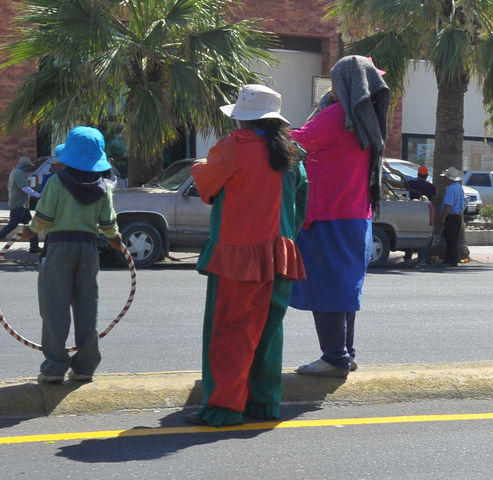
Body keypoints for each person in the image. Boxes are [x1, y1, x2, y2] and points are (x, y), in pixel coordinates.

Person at [186, 84, 308, 427]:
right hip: (280, 254)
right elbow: (300, 205)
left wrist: (199, 167)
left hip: (237, 257)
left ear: (241, 120)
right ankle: (264, 403)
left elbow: (207, 187)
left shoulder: (233, 148)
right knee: (269, 333)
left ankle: (225, 408)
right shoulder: (292, 155)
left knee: (230, 332)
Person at [289, 55, 389, 377]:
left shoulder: (337, 117)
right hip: (359, 216)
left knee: (326, 289)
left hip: (328, 215)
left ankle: (334, 357)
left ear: (344, 84)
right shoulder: (366, 118)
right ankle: (346, 352)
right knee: (345, 289)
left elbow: (295, 143)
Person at [19, 126, 123, 384]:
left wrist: (28, 233)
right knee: (87, 307)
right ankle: (85, 366)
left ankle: (54, 366)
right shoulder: (103, 187)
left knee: (55, 308)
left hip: (59, 248)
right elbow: (109, 224)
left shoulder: (56, 183)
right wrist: (115, 239)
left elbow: (43, 219)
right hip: (88, 249)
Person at [0, 156, 41, 253]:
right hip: (19, 204)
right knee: (13, 225)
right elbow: (24, 188)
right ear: (25, 165)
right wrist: (38, 195)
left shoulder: (14, 172)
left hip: (22, 204)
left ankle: (34, 247)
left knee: (31, 225)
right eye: (28, 166)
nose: (28, 168)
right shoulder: (19, 173)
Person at [404, 165, 436, 264]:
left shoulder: (411, 183)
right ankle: (422, 259)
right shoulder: (431, 187)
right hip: (425, 214)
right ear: (426, 176)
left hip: (412, 212)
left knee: (410, 234)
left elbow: (398, 184)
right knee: (424, 235)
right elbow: (433, 199)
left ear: (418, 175)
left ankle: (408, 258)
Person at [440, 166, 466, 267]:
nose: (445, 179)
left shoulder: (450, 189)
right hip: (458, 216)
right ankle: (450, 259)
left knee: (450, 239)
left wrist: (443, 218)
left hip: (451, 216)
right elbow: (463, 203)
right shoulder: (459, 187)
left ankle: (451, 260)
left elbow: (448, 205)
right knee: (453, 238)